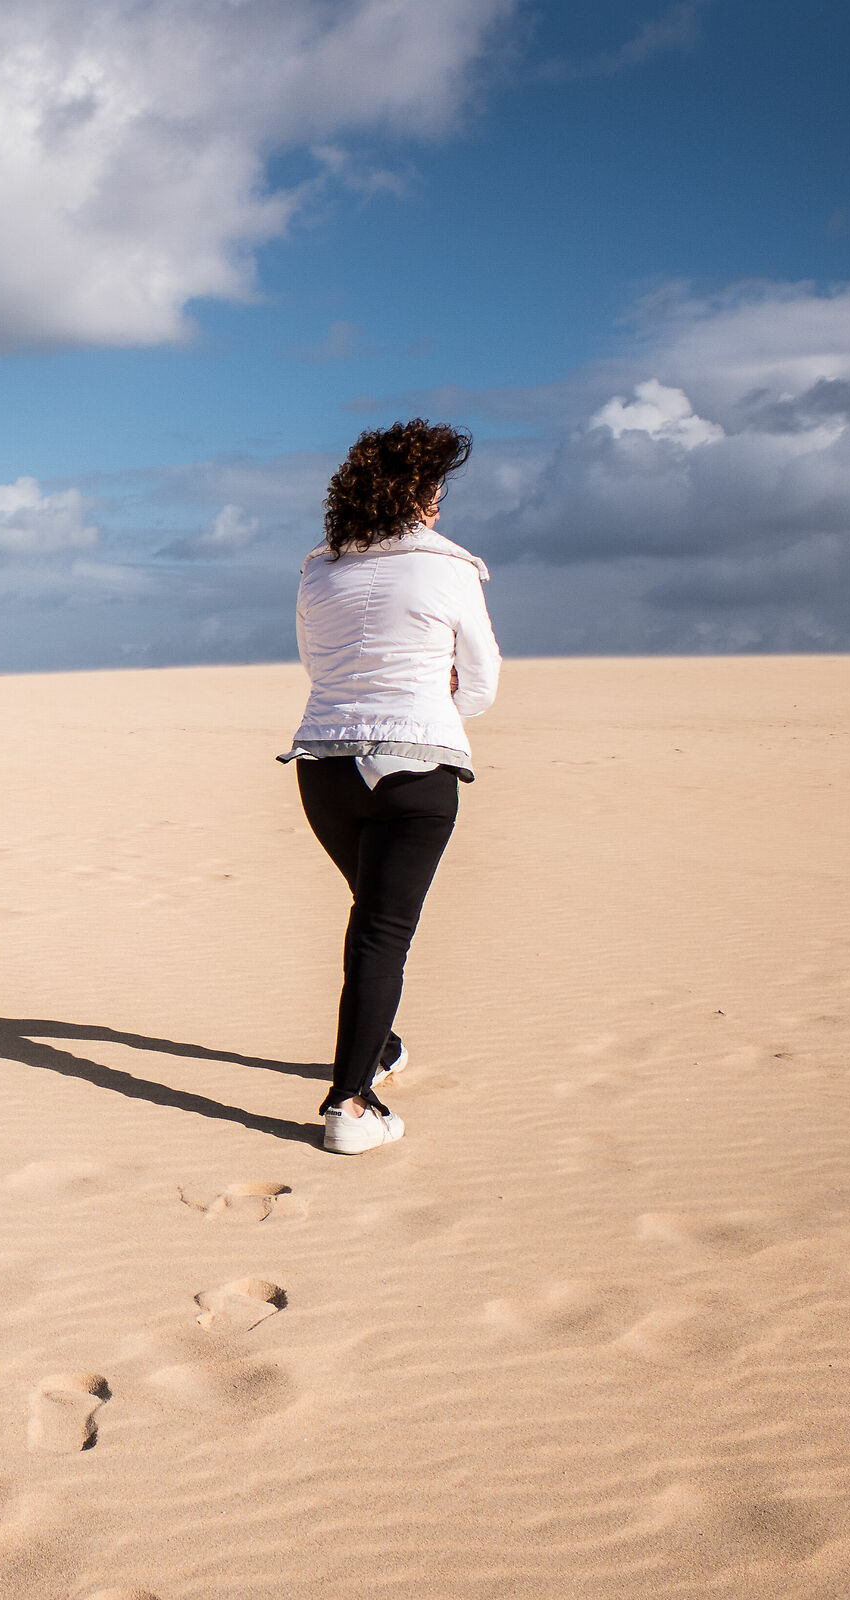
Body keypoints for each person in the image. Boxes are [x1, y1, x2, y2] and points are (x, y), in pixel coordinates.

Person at [281, 419, 500, 1155]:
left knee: (374, 918)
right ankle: (349, 1105)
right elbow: (482, 683)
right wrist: (439, 702)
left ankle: (380, 1047)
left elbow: (316, 664)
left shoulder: (320, 569)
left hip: (325, 768)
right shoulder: (451, 568)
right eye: (433, 487)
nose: (438, 500)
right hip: (415, 770)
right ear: (413, 495)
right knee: (382, 930)